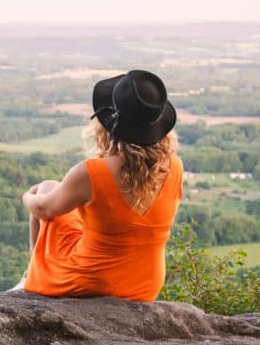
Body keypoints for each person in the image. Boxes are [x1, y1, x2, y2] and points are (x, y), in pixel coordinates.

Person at [15, 70, 182, 302]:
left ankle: (32, 276)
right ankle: (33, 275)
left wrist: (27, 196)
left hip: (93, 281)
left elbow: (43, 209)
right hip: (145, 286)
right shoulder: (174, 166)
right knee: (58, 191)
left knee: (45, 189)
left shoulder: (92, 173)